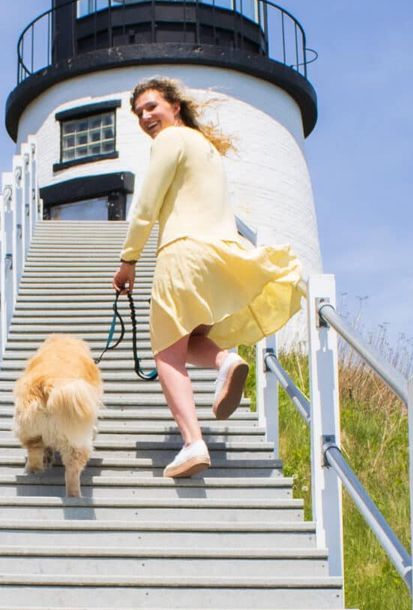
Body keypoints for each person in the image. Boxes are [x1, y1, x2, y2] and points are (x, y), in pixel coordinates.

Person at [112, 76, 304, 478]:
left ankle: (193, 443)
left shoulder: (168, 142)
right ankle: (225, 360)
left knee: (166, 354)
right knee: (192, 338)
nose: (145, 116)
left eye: (152, 106)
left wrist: (128, 260)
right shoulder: (206, 148)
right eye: (139, 112)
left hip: (182, 255)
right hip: (218, 254)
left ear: (174, 106)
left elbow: (146, 204)